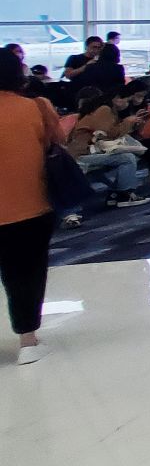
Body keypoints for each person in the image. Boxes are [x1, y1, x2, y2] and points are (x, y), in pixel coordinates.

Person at [0, 53, 61, 364]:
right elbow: (58, 140)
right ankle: (27, 340)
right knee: (26, 273)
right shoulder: (36, 106)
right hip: (28, 204)